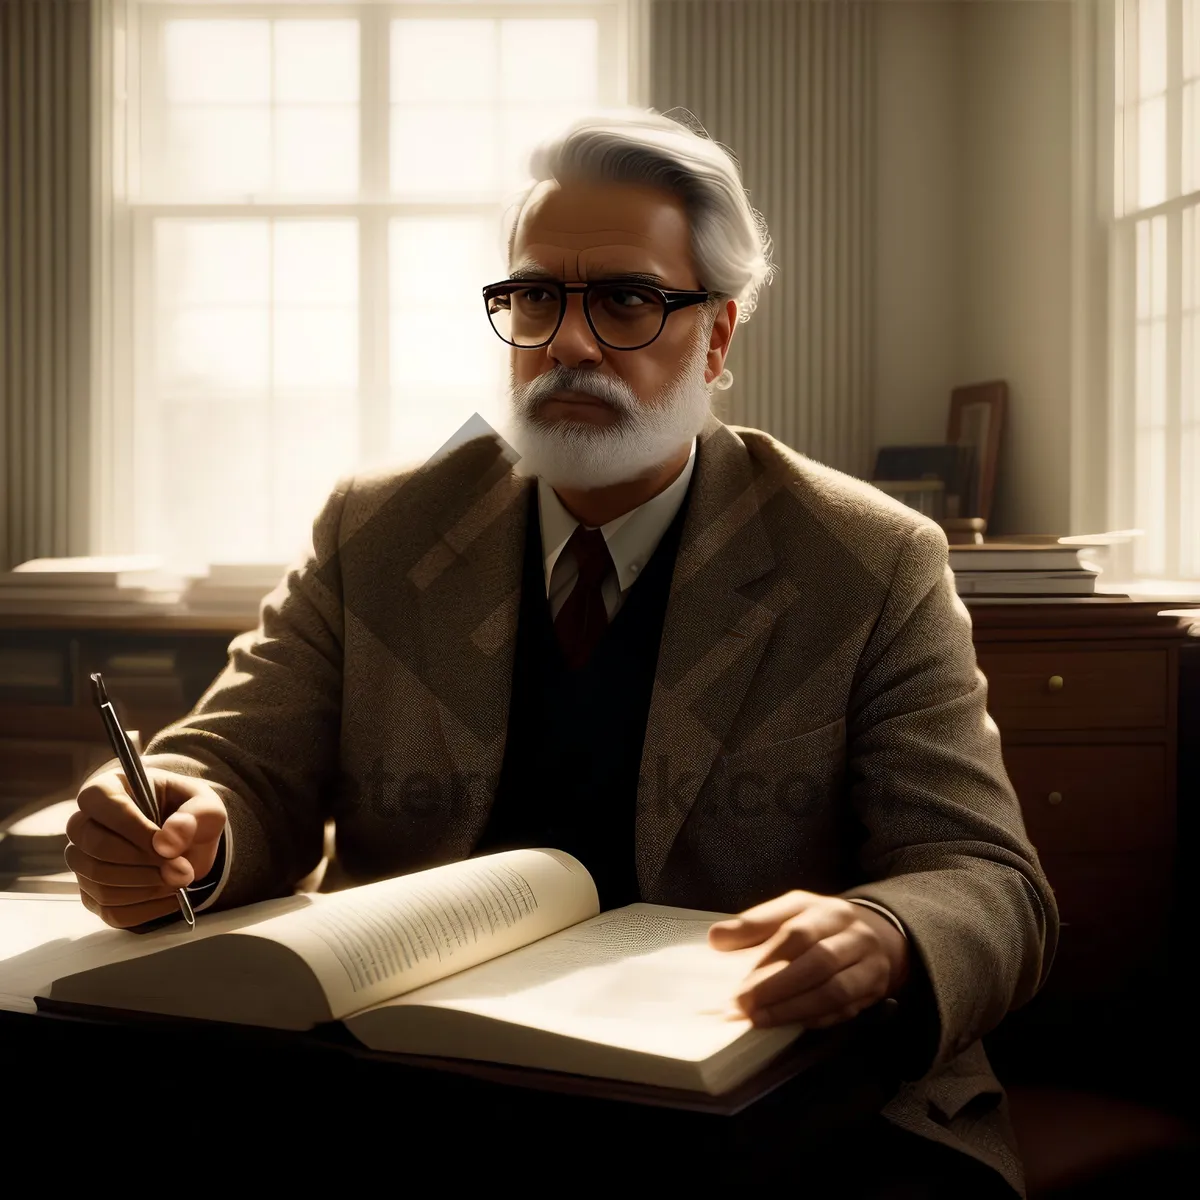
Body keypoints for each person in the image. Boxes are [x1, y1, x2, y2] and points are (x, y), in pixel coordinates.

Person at [65, 108, 1056, 1197]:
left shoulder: (866, 560)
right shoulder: (380, 528)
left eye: (627, 300)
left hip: (753, 1115)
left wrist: (882, 932)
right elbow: (243, 766)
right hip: (412, 1097)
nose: (569, 343)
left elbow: (990, 881)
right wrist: (180, 826)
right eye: (537, 296)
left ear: (719, 337)